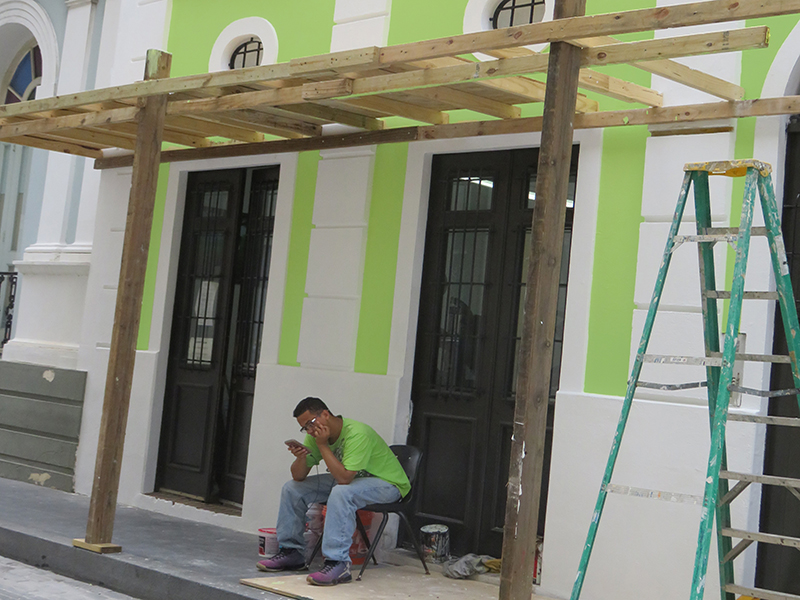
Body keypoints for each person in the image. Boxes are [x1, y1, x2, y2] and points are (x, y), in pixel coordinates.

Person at [257, 396, 411, 586]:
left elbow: (345, 478)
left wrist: (322, 446)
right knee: (292, 489)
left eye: (311, 423)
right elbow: (298, 477)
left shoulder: (357, 433)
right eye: (305, 427)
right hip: (352, 480)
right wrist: (300, 458)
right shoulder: (316, 435)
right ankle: (292, 552)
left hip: (387, 484)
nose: (310, 431)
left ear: (325, 414)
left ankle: (338, 563)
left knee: (341, 492)